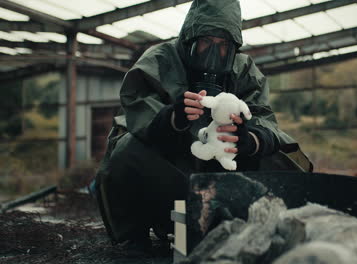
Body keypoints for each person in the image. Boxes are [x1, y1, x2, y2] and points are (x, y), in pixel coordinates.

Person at [94, 0, 313, 254]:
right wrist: (171, 118)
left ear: (234, 46)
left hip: (224, 174)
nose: (214, 52)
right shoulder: (159, 61)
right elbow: (136, 113)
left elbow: (264, 117)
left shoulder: (243, 69)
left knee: (282, 152)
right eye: (206, 42)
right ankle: (133, 236)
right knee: (125, 149)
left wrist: (250, 139)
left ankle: (269, 222)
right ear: (190, 38)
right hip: (172, 175)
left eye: (223, 46)